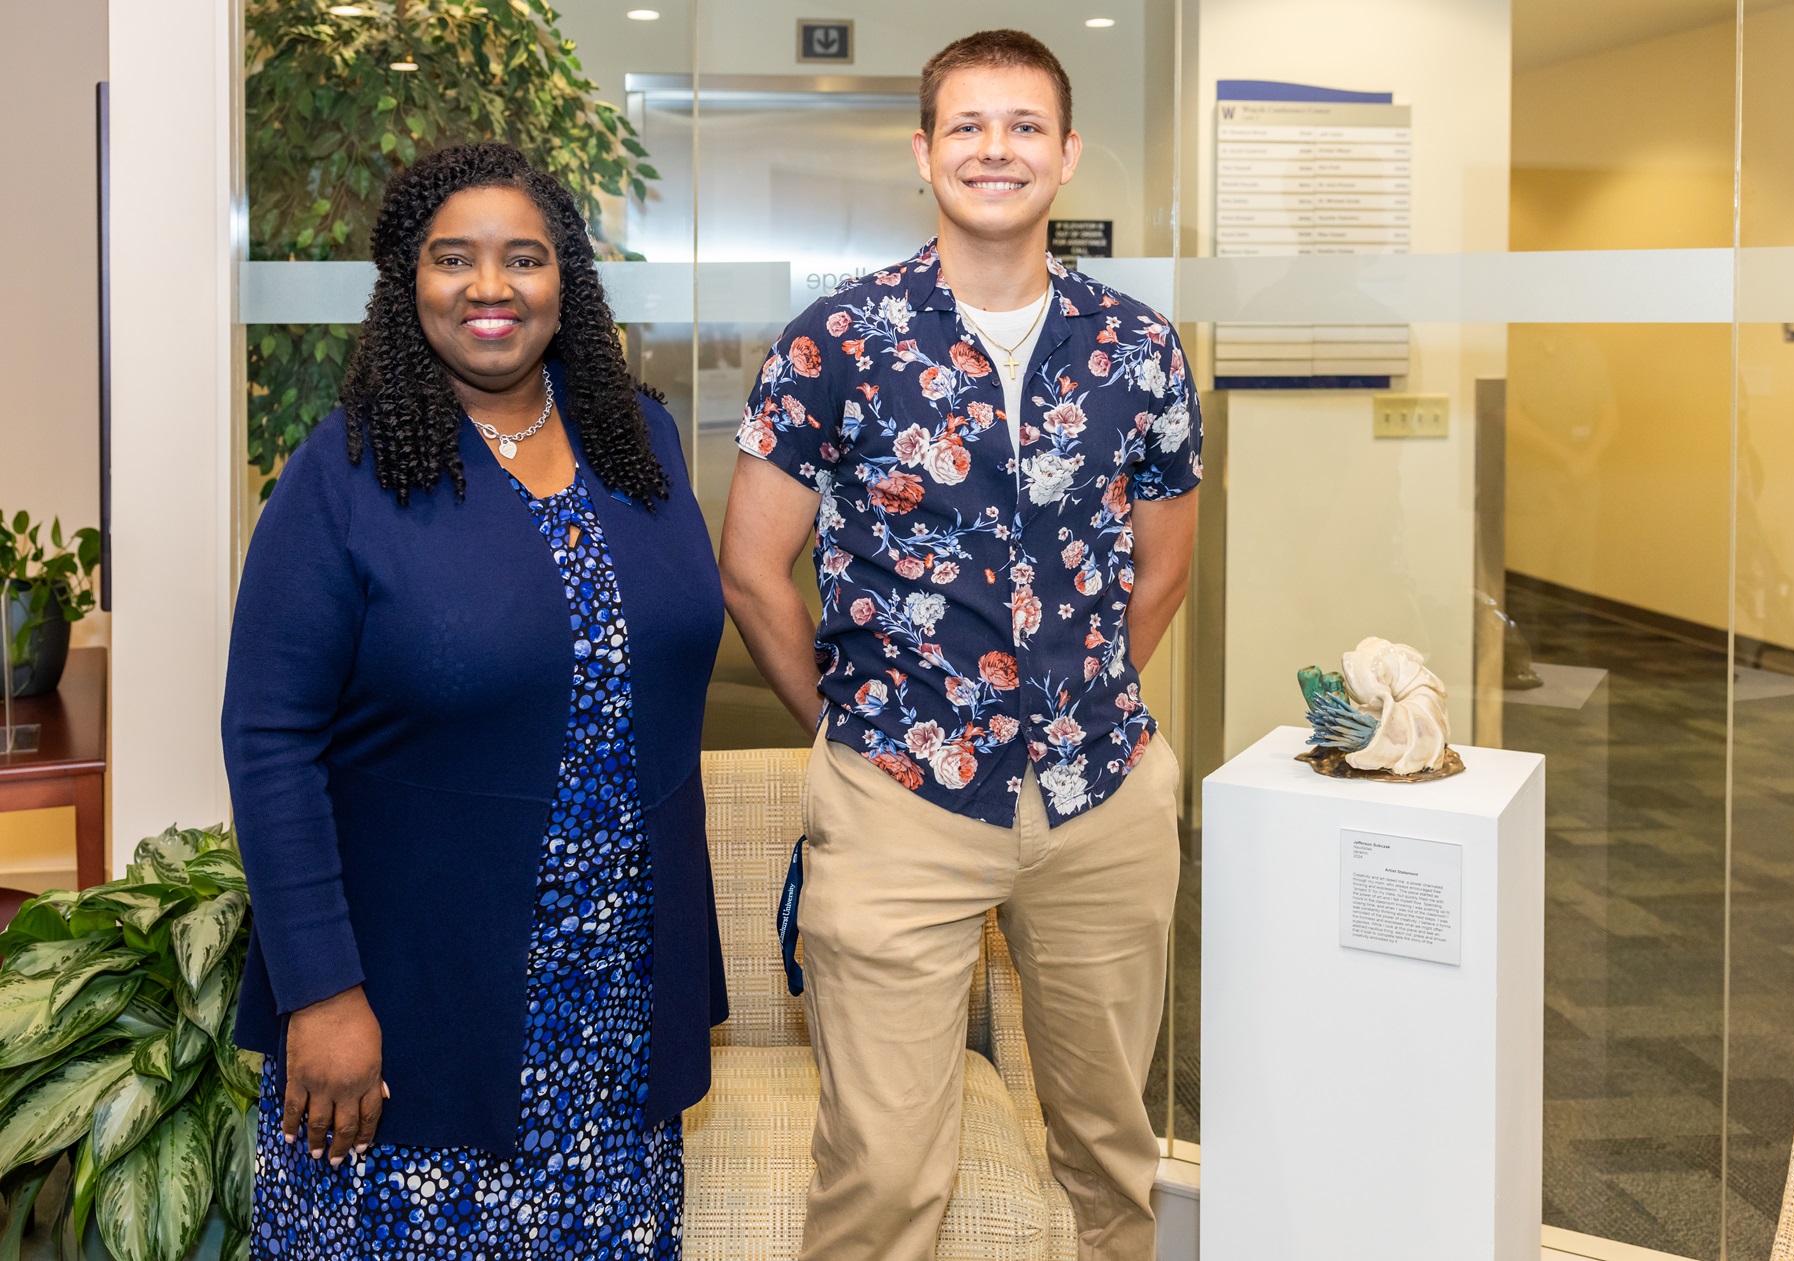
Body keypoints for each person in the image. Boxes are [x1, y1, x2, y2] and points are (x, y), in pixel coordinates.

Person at [720, 28, 1202, 1261]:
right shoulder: (837, 339)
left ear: (1068, 154)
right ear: (924, 150)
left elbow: (1162, 567)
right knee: (883, 1173)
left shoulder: (1139, 349)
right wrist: (841, 730)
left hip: (1101, 800)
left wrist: (1075, 701)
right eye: (971, 126)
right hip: (897, 801)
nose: (999, 149)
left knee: (1108, 1151)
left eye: (1026, 126)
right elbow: (751, 565)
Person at [222, 142, 727, 1259]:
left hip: (616, 1004)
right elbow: (268, 740)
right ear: (409, 279)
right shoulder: (345, 471)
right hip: (416, 1006)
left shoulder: (636, 442)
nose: (490, 288)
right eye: (454, 259)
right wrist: (321, 991)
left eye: (524, 259)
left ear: (568, 282)